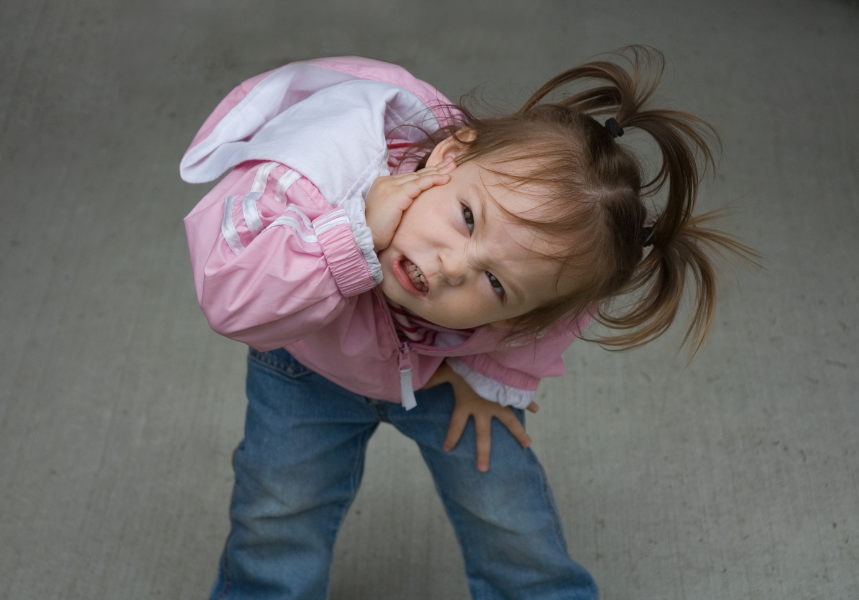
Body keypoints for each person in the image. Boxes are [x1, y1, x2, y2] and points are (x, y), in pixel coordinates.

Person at [180, 46, 750, 600]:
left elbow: (558, 316)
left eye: (496, 284)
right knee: (279, 509)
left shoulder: (553, 283)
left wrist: (489, 377)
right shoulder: (322, 171)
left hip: (437, 373)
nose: (453, 266)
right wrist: (350, 236)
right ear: (451, 156)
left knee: (505, 508)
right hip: (301, 370)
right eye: (468, 217)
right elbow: (230, 297)